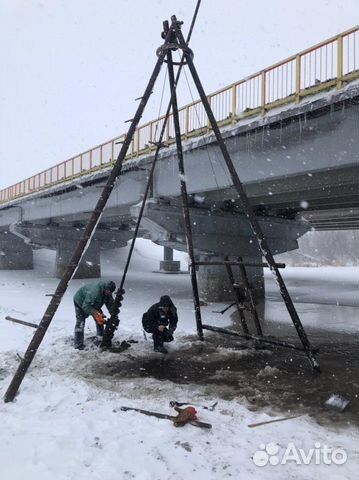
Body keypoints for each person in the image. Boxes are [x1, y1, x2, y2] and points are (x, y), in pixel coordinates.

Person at [73, 280, 116, 350]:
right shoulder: (94, 293)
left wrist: (113, 314)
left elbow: (110, 304)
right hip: (80, 301)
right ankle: (78, 344)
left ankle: (100, 337)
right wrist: (95, 313)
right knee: (80, 321)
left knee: (100, 318)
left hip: (94, 303)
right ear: (105, 288)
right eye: (108, 292)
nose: (109, 293)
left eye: (111, 292)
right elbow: (85, 306)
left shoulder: (108, 293)